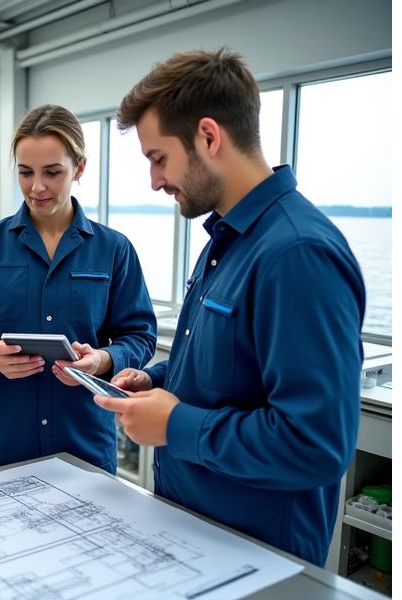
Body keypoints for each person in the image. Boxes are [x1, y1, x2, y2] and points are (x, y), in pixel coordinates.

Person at [94, 48, 365, 566]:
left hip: (257, 558)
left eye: (158, 158)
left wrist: (175, 426)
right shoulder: (227, 240)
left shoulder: (297, 255)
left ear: (209, 137)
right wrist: (159, 380)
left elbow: (315, 445)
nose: (154, 181)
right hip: (192, 533)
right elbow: (231, 367)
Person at [0, 104, 157, 475]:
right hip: (0, 443)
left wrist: (101, 361)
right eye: (25, 172)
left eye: (53, 173)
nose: (37, 187)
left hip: (83, 443)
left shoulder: (114, 249)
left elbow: (140, 336)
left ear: (79, 168)